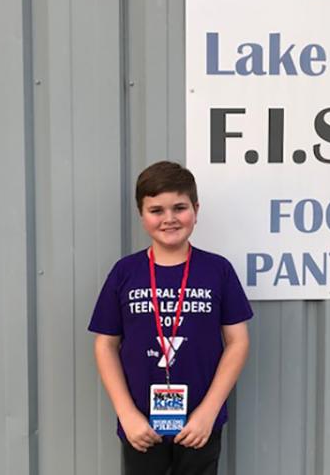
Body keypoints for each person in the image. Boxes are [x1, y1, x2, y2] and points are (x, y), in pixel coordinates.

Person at [89, 160, 253, 475]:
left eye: (179, 207)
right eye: (156, 210)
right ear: (141, 214)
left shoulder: (217, 270)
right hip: (141, 425)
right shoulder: (125, 272)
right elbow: (105, 345)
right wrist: (127, 414)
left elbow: (238, 342)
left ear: (196, 208)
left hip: (199, 423)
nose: (169, 219)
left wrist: (209, 411)